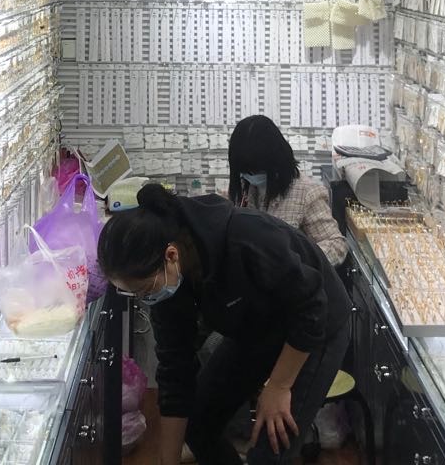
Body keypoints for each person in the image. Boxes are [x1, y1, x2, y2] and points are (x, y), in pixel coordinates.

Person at [98, 184, 349, 465]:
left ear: (171, 256)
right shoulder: (165, 284)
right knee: (198, 425)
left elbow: (311, 305)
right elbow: (175, 373)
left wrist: (279, 386)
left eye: (144, 290)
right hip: (258, 328)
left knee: (272, 446)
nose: (145, 299)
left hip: (315, 324)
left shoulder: (245, 237)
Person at [227, 116, 347, 267]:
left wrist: (295, 262)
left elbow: (337, 246)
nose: (251, 177)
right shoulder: (245, 186)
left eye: (257, 171)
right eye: (245, 171)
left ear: (275, 161)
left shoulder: (306, 193)